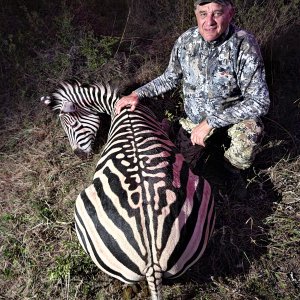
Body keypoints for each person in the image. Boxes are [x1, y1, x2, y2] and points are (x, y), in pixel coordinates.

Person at [115, 0, 270, 196]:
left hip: (232, 119)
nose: (210, 21)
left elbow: (260, 101)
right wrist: (137, 93)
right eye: (203, 13)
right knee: (180, 172)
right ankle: (199, 147)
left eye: (217, 13)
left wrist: (211, 122)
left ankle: (231, 170)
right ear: (196, 14)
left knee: (251, 132)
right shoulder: (186, 41)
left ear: (230, 14)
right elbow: (169, 78)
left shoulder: (244, 43)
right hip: (194, 122)